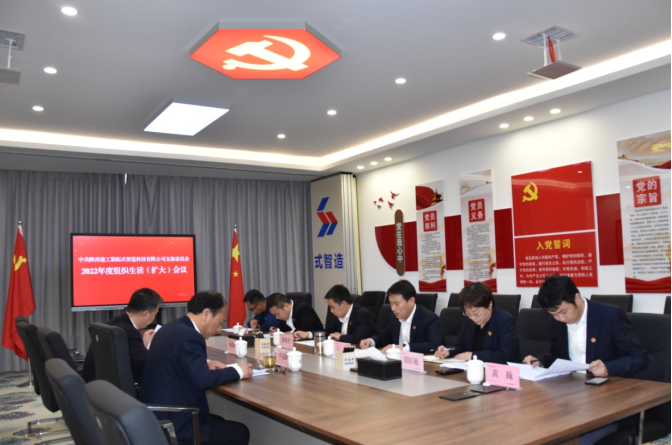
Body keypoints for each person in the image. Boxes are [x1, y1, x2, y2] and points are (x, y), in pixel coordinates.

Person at [523, 275, 649, 445]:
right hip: (571, 396)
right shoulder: (556, 322)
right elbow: (557, 353)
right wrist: (540, 361)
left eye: (563, 312)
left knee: (571, 439)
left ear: (577, 298)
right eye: (554, 314)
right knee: (537, 429)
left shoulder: (609, 315)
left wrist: (608, 368)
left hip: (609, 401)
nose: (560, 319)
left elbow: (639, 357)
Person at [140, 291, 253, 445]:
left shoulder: (172, 327)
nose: (219, 329)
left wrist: (204, 363)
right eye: (220, 322)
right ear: (206, 314)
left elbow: (175, 360)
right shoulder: (190, 336)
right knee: (239, 432)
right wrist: (238, 371)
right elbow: (203, 380)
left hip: (157, 416)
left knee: (219, 421)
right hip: (176, 423)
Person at [82, 288, 162, 384]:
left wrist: (142, 342)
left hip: (95, 386)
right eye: (155, 314)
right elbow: (147, 366)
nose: (154, 318)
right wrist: (146, 346)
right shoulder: (128, 332)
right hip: (110, 389)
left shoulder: (116, 322)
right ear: (145, 314)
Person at [435, 282, 518, 364]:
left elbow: (505, 355)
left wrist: (473, 356)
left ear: (489, 304)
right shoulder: (469, 319)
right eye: (468, 313)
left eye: (476, 313)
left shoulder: (505, 320)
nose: (473, 317)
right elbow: (461, 344)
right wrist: (448, 351)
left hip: (496, 370)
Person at [359, 280, 441, 354]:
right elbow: (384, 337)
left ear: (411, 301)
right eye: (391, 303)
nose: (393, 308)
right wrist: (371, 341)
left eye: (397, 304)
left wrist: (404, 348)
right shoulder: (393, 317)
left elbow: (435, 345)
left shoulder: (429, 318)